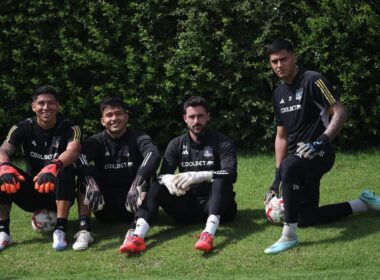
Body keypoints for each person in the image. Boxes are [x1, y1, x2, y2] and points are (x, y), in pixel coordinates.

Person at [264, 38, 380, 254]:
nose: (279, 65)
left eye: (283, 59)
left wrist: (321, 141)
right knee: (305, 218)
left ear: (294, 57)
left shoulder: (313, 80)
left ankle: (289, 236)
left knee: (290, 166)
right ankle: (363, 203)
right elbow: (281, 137)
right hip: (295, 162)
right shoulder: (278, 94)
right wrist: (276, 177)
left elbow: (340, 112)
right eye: (274, 62)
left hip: (320, 153)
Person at [119, 96, 238, 254]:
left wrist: (203, 175)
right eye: (192, 117)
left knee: (220, 179)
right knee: (156, 184)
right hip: (187, 208)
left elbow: (231, 174)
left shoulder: (223, 142)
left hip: (219, 206)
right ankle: (137, 237)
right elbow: (162, 176)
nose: (196, 121)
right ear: (185, 119)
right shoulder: (176, 144)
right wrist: (167, 179)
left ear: (208, 116)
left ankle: (208, 234)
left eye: (200, 116)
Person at [0, 85, 82, 251]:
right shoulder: (22, 127)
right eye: (41, 103)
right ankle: (3, 233)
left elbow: (73, 151)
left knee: (66, 169)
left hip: (58, 191)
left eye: (51, 103)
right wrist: (4, 167)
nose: (46, 108)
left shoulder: (71, 127)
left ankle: (60, 229)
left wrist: (54, 165)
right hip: (32, 192)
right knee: (3, 174)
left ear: (57, 106)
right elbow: (4, 149)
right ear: (33, 107)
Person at [74, 97, 160, 251]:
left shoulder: (138, 137)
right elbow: (79, 158)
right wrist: (92, 184)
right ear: (102, 120)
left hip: (134, 204)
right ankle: (84, 230)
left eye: (118, 114)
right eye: (109, 115)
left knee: (151, 176)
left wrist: (137, 182)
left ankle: (135, 229)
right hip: (104, 207)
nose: (114, 118)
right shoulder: (96, 141)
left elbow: (153, 154)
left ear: (126, 117)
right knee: (86, 174)